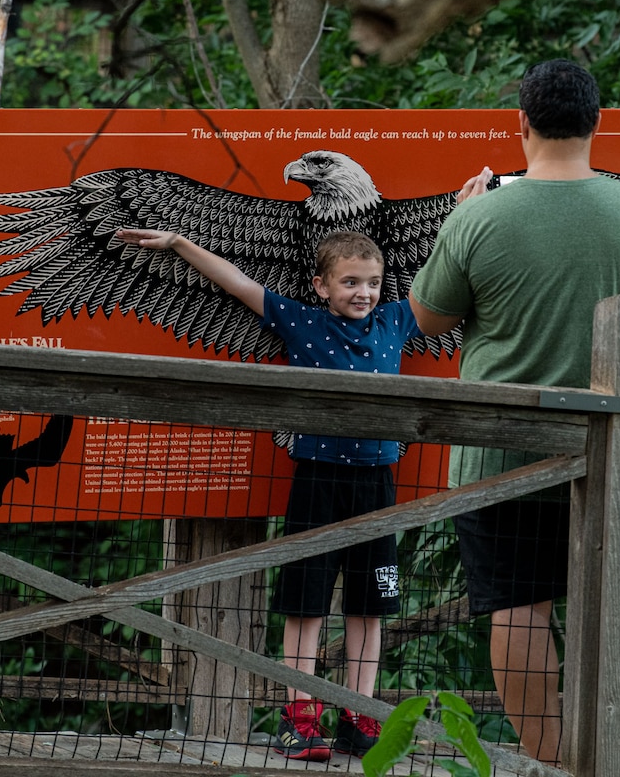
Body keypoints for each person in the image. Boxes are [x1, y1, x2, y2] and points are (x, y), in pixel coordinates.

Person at [408, 58, 620, 764]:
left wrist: (460, 220)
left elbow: (429, 318)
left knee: (518, 609)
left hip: (502, 451)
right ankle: (610, 756)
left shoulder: (483, 216)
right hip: (619, 451)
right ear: (598, 123)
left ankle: (549, 760)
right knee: (610, 610)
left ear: (520, 123)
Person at [114, 227, 421, 761]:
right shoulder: (303, 321)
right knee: (305, 605)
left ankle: (359, 713)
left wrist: (469, 209)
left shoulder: (395, 319)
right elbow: (237, 283)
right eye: (350, 281)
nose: (363, 293)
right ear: (321, 286)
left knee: (369, 607)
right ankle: (300, 716)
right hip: (317, 479)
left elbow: (441, 269)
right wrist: (181, 243)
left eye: (372, 282)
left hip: (377, 483)